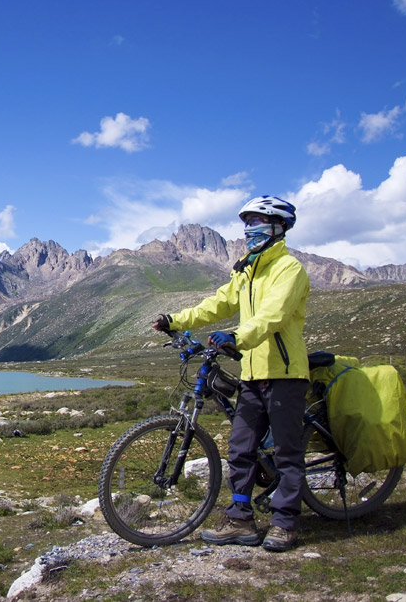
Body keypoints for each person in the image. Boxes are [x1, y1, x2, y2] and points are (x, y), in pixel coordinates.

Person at [152, 195, 310, 553]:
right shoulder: (246, 272)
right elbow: (218, 303)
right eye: (247, 223)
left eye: (257, 223)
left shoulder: (289, 269)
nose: (249, 230)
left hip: (286, 373)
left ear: (277, 227)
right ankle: (240, 518)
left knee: (286, 451)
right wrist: (175, 320)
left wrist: (237, 337)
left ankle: (285, 523)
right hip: (253, 374)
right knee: (241, 449)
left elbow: (274, 316)